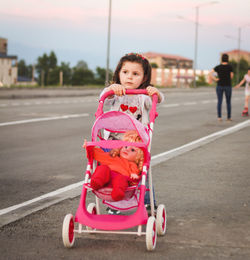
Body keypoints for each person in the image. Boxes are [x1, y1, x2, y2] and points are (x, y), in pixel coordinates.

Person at [100, 53, 164, 212]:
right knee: (112, 171)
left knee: (143, 171)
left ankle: (148, 201)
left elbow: (159, 99)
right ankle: (114, 202)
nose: (129, 77)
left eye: (135, 74)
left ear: (143, 78)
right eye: (125, 72)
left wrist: (155, 92)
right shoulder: (115, 94)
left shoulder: (143, 97)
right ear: (119, 74)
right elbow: (102, 98)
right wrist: (111, 89)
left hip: (135, 143)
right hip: (114, 142)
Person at [84, 130, 144, 201]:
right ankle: (96, 182)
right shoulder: (112, 156)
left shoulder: (133, 165)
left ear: (138, 156)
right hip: (104, 181)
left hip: (120, 184)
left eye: (133, 150)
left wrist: (135, 177)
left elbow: (133, 179)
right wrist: (89, 147)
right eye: (126, 146)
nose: (127, 150)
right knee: (103, 168)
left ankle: (118, 193)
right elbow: (98, 153)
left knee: (121, 179)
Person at [209, 53, 234, 121]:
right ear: (227, 59)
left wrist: (215, 79)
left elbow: (210, 73)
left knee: (219, 101)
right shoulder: (230, 67)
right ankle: (229, 117)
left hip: (219, 86)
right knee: (228, 102)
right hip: (228, 86)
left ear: (221, 59)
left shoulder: (218, 67)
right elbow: (231, 76)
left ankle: (219, 117)